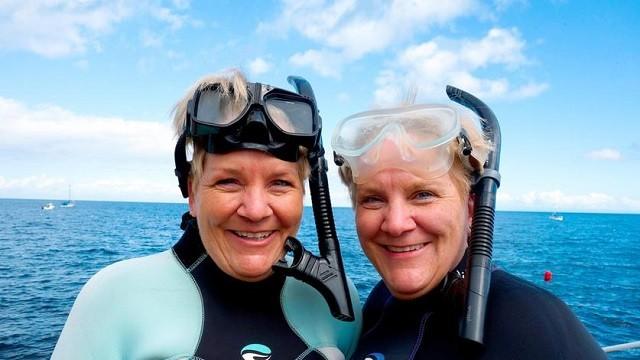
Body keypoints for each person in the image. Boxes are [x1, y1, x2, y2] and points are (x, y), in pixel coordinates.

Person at [52, 69, 361, 359]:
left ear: (303, 195)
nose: (255, 210)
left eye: (280, 183)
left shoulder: (338, 304)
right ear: (193, 193)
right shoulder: (112, 299)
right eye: (228, 182)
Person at [331, 97, 606, 359]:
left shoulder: (528, 323)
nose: (395, 223)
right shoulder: (381, 301)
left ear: (472, 208)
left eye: (423, 194)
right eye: (373, 199)